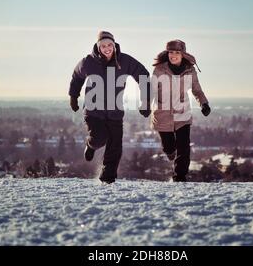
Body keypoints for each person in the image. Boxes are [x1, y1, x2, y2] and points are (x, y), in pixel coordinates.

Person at [68, 31, 151, 184]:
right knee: (99, 138)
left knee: (115, 145)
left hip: (115, 112)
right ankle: (91, 145)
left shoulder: (124, 61)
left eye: (109, 45)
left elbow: (143, 75)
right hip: (94, 111)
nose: (107, 48)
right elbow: (77, 76)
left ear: (114, 45)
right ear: (98, 47)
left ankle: (107, 178)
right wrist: (74, 96)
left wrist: (145, 101)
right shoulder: (88, 61)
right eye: (103, 46)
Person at [151, 39, 211, 182]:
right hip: (162, 113)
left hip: (182, 113)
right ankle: (170, 152)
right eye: (171, 52)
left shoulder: (190, 70)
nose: (173, 55)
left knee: (184, 147)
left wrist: (204, 103)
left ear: (183, 54)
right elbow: (151, 90)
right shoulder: (159, 69)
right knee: (169, 148)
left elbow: (197, 89)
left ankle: (180, 177)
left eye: (177, 52)